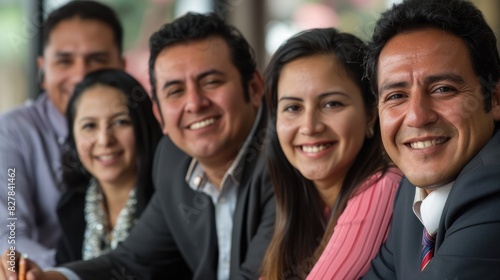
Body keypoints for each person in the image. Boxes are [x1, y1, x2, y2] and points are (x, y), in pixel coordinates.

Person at [0, 12, 275, 280]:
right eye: (176, 91)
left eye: (211, 82)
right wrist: (48, 276)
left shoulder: (283, 162)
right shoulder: (174, 159)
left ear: (253, 89)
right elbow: (133, 260)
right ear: (160, 113)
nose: (194, 103)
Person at [361, 0, 500, 279]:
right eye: (396, 96)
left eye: (442, 89)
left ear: (495, 99)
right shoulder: (410, 189)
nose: (417, 116)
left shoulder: (492, 185)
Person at [260, 27, 402, 280]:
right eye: (292, 107)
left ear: (370, 114)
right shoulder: (304, 200)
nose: (309, 126)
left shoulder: (383, 185)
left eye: (331, 104)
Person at [0, 1, 125, 268]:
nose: (81, 75)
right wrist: (72, 273)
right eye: (64, 61)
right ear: (43, 72)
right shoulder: (11, 134)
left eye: (97, 60)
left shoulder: (139, 129)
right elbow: (8, 236)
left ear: (122, 67)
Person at [55, 69, 162, 264]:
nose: (105, 140)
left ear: (143, 126)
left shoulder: (167, 203)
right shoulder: (72, 206)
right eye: (90, 126)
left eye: (120, 122)